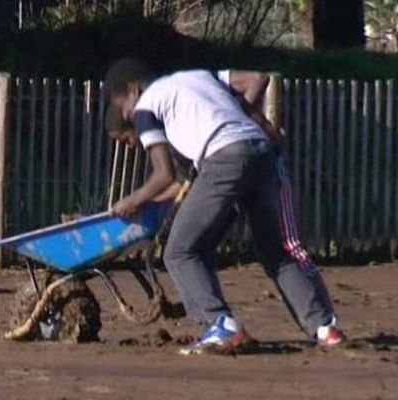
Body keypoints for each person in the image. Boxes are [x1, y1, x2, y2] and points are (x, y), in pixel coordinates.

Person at [103, 58, 344, 354]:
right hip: (261, 152)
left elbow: (163, 174)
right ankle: (325, 327)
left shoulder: (146, 107)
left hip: (224, 158)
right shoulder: (199, 78)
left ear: (134, 89)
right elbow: (257, 77)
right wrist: (242, 113)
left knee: (179, 251)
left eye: (122, 106)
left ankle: (220, 325)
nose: (126, 115)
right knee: (275, 252)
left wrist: (131, 201)